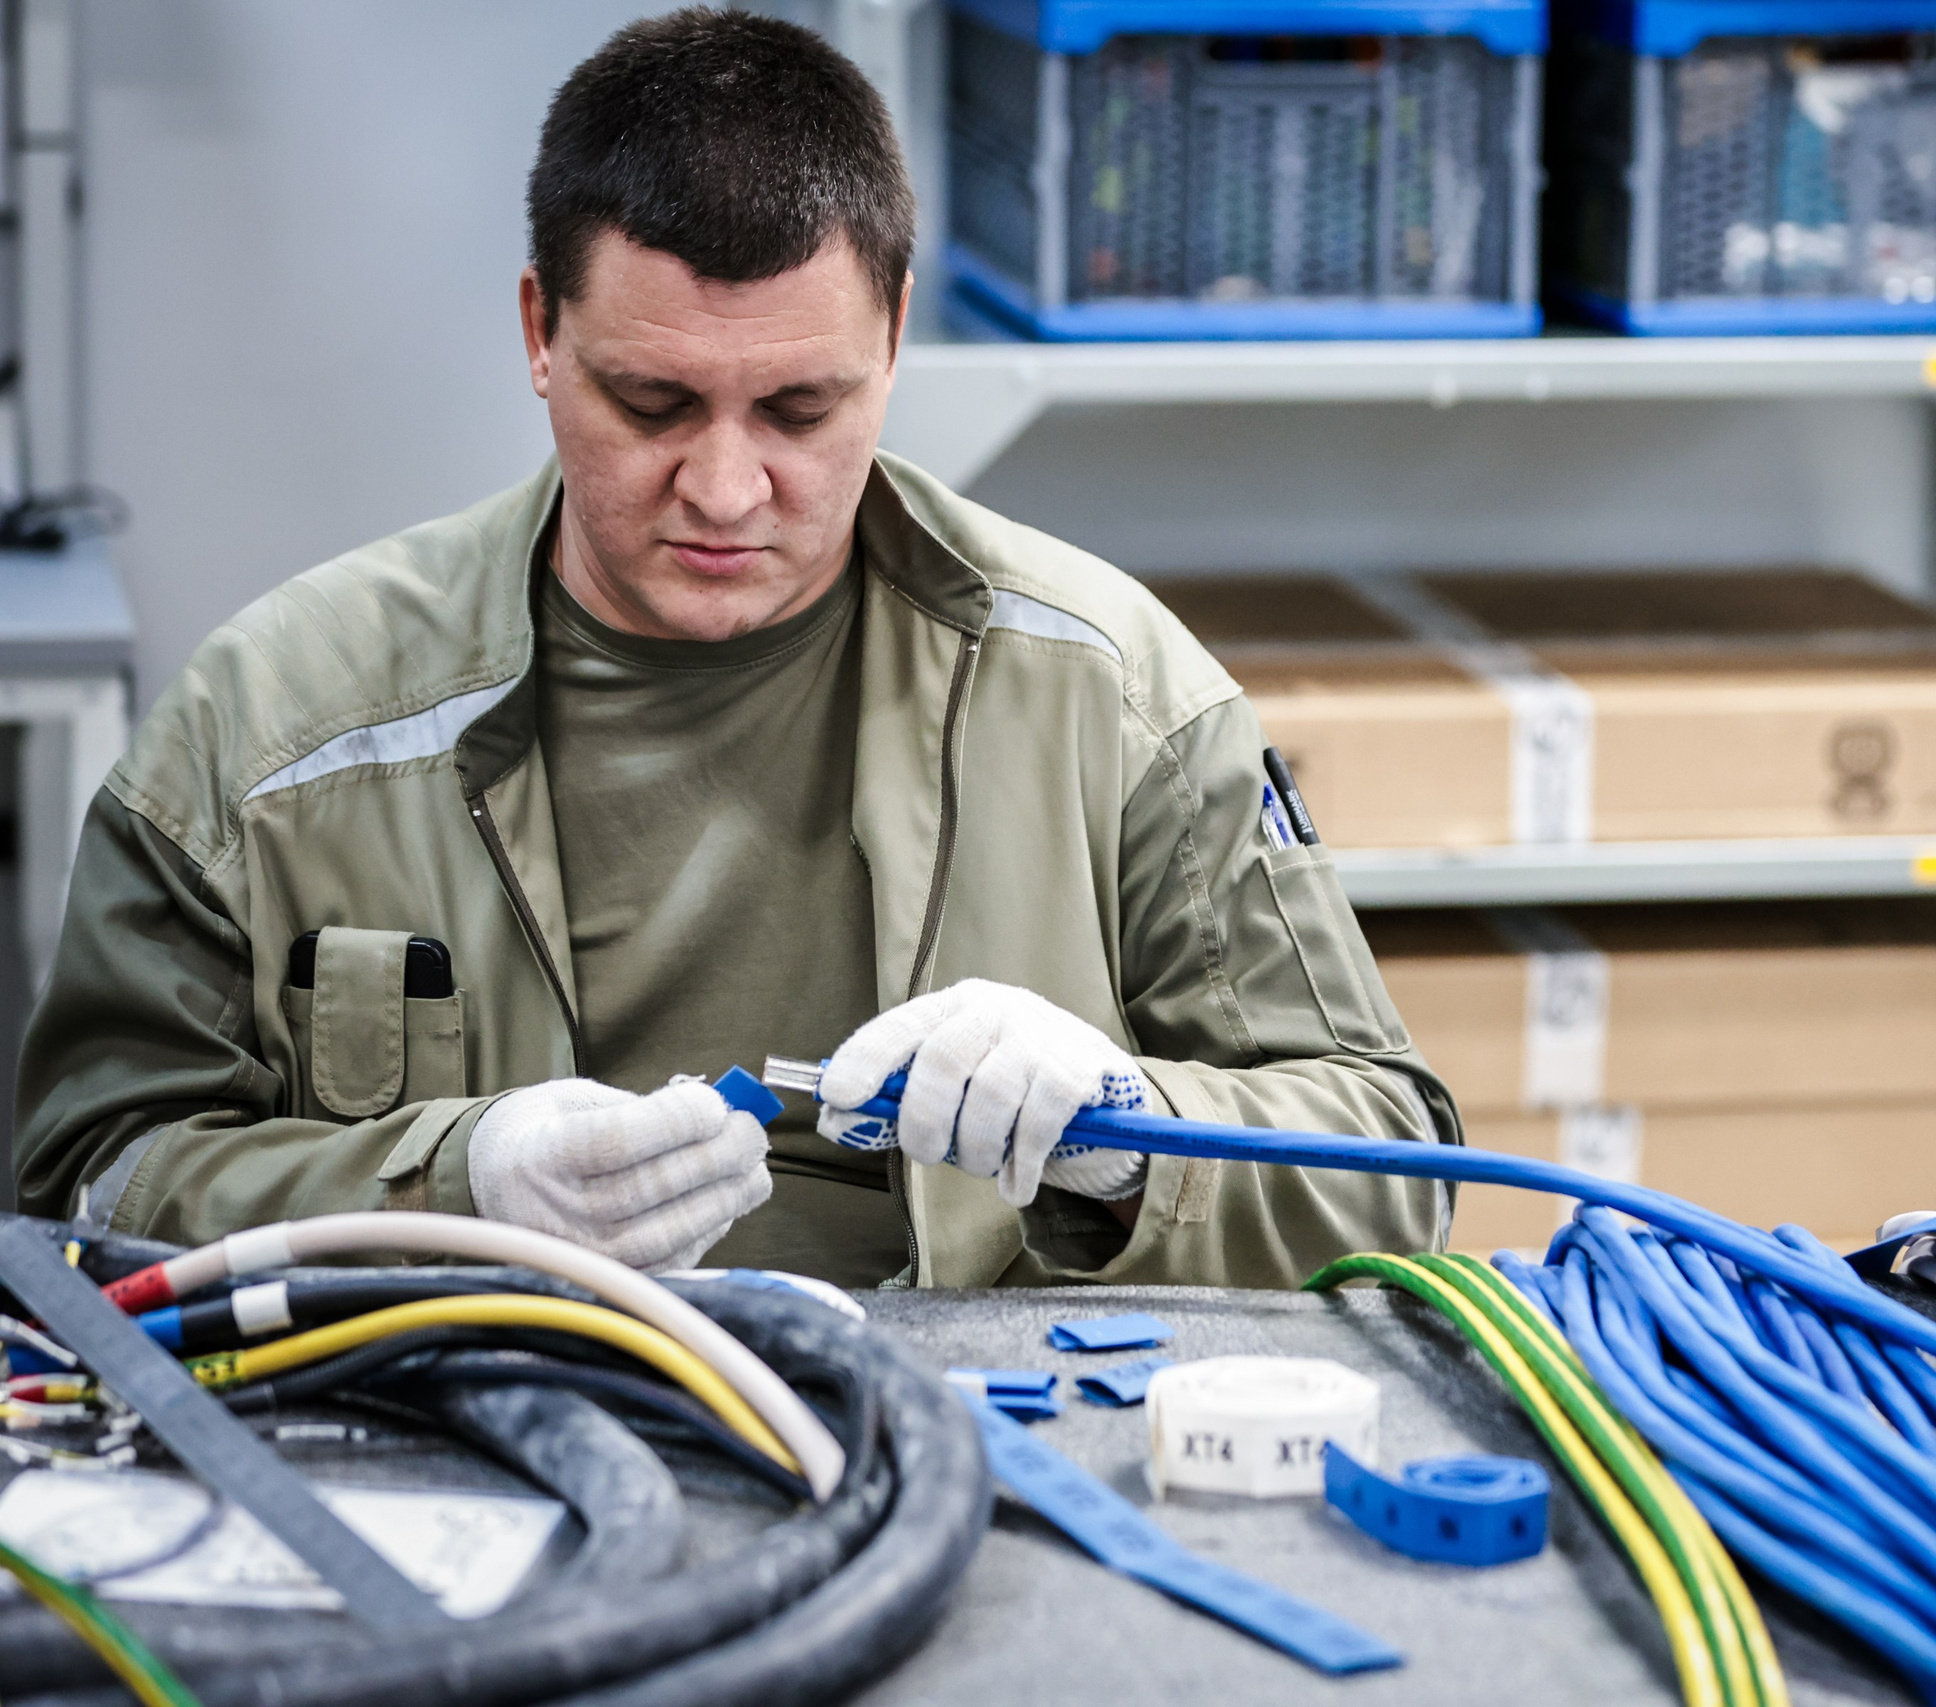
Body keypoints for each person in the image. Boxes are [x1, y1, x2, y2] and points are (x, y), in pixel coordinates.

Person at [11, 9, 1458, 1289]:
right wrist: (450, 1183)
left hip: (979, 1429)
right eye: (650, 403)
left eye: (799, 413)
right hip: (472, 1415)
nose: (721, 489)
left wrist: (1129, 1139)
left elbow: (1399, 1171)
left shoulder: (1115, 701)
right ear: (539, 330)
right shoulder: (270, 737)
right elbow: (83, 1188)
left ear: (892, 340)